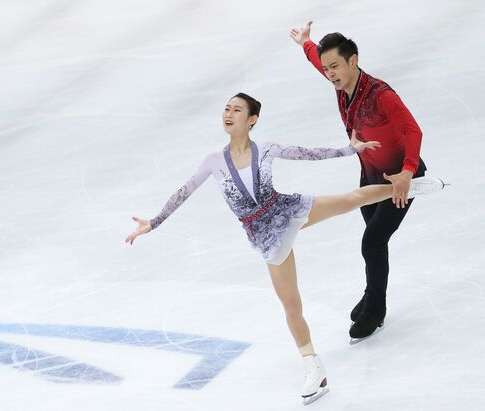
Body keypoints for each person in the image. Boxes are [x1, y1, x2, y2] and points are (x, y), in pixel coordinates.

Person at [125, 93, 442, 404]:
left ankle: (409, 185)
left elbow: (310, 154)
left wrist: (350, 149)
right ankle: (313, 367)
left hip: (286, 210)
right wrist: (154, 222)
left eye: (237, 110)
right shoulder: (214, 162)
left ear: (252, 120)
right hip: (265, 236)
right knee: (291, 305)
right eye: (226, 109)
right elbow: (183, 192)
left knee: (350, 199)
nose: (228, 114)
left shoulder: (267, 148)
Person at [291, 22, 429, 341]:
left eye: (336, 66)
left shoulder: (381, 95)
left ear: (353, 60)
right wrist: (307, 43)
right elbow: (318, 59)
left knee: (373, 242)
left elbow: (413, 131)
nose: (330, 73)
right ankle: (372, 295)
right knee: (373, 243)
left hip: (399, 179)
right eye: (327, 69)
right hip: (370, 177)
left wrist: (408, 172)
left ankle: (375, 311)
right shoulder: (342, 85)